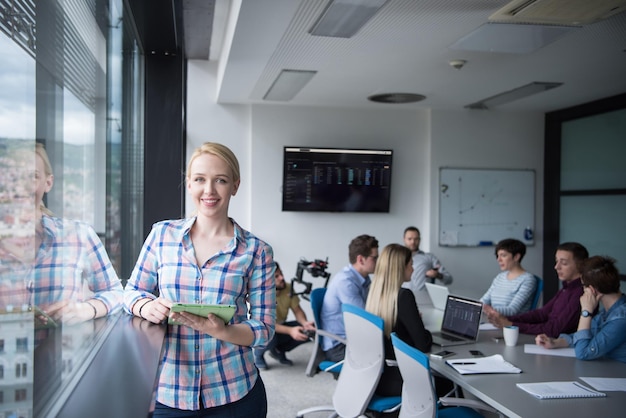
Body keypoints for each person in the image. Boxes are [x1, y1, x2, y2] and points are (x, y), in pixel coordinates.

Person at [123, 142, 275, 417]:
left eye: (221, 180)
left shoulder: (257, 250)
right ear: (189, 184)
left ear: (235, 186)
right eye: (200, 180)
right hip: (170, 393)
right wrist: (146, 306)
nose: (209, 190)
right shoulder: (162, 235)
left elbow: (264, 328)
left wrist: (222, 331)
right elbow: (132, 291)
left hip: (234, 393)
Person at [0, 143, 123, 326]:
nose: (21, 186)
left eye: (32, 176)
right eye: (13, 178)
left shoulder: (78, 235)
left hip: (64, 352)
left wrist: (85, 310)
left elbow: (116, 293)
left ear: (47, 183)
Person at [365, 243, 432, 397]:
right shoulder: (404, 296)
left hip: (378, 377)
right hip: (401, 379)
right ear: (400, 267)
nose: (413, 269)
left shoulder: (374, 293)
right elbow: (422, 344)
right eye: (410, 264)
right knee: (449, 383)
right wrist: (422, 329)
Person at [485, 242, 588, 337]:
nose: (556, 267)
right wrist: (506, 320)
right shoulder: (566, 289)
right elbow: (541, 314)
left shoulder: (581, 293)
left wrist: (511, 324)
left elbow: (554, 330)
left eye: (564, 263)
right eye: (556, 261)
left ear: (580, 265)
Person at [536, 256, 626, 363]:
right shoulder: (608, 312)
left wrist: (586, 312)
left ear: (592, 289)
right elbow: (587, 334)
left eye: (583, 285)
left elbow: (583, 352)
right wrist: (556, 342)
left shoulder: (620, 318)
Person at [320, 234, 378, 362]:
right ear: (361, 260)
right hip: (339, 345)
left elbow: (373, 307)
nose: (378, 261)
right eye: (375, 258)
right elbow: (365, 319)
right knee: (382, 357)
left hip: (353, 338)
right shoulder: (346, 282)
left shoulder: (364, 278)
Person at [254, 262, 315, 370]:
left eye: (281, 273)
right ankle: (258, 356)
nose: (282, 277)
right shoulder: (260, 295)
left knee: (306, 330)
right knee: (269, 335)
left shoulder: (288, 288)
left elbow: (298, 311)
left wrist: (305, 323)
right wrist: (290, 331)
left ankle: (278, 351)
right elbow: (267, 324)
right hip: (264, 329)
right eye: (276, 276)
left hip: (280, 326)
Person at [480, 238, 536, 316]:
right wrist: (479, 306)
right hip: (494, 322)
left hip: (512, 325)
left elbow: (512, 310)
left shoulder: (528, 279)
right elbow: (483, 301)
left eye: (503, 255)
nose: (499, 259)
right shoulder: (499, 277)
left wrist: (485, 308)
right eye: (498, 256)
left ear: (516, 257)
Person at [402, 226, 453, 305]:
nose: (413, 242)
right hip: (402, 298)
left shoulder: (429, 257)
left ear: (420, 240)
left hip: (424, 300)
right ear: (404, 239)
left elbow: (449, 279)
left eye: (416, 239)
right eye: (409, 239)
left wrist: (438, 275)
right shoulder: (397, 258)